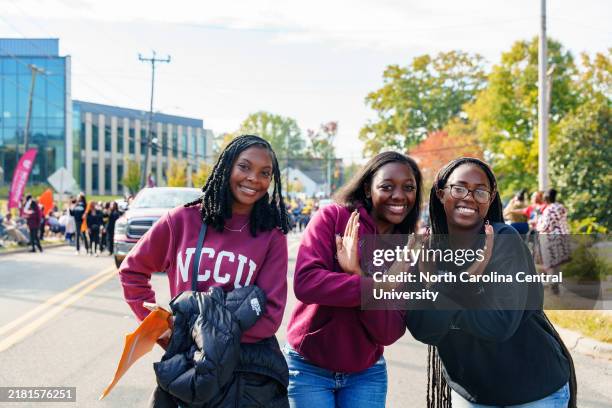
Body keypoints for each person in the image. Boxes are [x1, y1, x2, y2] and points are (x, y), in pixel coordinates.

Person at [119, 135, 291, 407]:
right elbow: (132, 271)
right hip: (189, 369)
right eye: (244, 167)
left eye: (264, 173)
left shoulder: (271, 236)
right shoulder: (182, 220)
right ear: (226, 167)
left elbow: (269, 315)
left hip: (245, 377)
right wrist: (160, 327)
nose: (253, 178)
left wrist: (199, 331)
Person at [405, 157, 576, 407]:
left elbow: (498, 324)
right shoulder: (427, 251)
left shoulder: (502, 241)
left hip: (533, 390)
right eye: (459, 188)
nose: (469, 197)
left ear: (491, 197)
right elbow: (423, 329)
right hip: (472, 392)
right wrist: (468, 281)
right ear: (441, 194)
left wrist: (439, 292)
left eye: (480, 191)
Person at [284, 152, 423, 408]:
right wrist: (380, 287)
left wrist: (357, 275)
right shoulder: (333, 218)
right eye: (387, 186)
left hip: (366, 373)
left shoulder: (407, 249)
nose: (399, 195)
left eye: (409, 187)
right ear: (368, 189)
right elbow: (307, 282)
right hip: (308, 368)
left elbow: (389, 332)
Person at [536, 189, 571, 294]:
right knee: (557, 264)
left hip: (551, 239)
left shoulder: (549, 210)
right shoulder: (561, 207)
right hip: (562, 237)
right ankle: (555, 285)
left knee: (551, 264)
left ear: (546, 199)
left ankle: (553, 287)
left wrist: (537, 225)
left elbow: (545, 226)